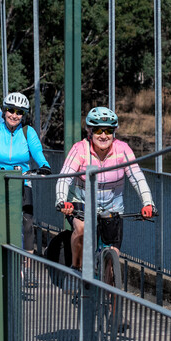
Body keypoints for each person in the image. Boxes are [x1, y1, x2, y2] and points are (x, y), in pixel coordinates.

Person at [57, 106, 153, 274]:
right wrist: (61, 200)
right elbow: (64, 177)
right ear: (89, 131)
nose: (103, 136)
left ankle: (108, 294)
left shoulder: (122, 149)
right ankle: (76, 269)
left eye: (108, 131)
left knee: (113, 253)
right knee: (81, 229)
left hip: (112, 207)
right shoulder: (80, 149)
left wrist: (148, 203)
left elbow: (137, 178)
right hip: (82, 202)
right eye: (98, 130)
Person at [0, 92, 49, 172]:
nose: (14, 116)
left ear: (23, 115)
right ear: (4, 111)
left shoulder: (28, 131)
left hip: (22, 179)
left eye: (19, 112)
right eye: (11, 110)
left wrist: (44, 165)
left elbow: (37, 151)